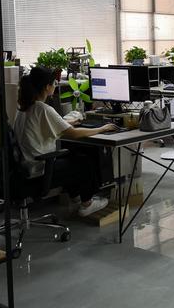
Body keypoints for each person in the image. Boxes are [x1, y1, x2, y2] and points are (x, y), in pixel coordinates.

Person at [13, 66, 117, 216]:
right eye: (54, 83)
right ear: (47, 87)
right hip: (40, 168)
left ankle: (76, 200)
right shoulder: (43, 109)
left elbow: (46, 125)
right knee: (83, 162)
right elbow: (73, 133)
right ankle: (87, 204)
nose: (55, 86)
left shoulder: (24, 107)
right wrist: (102, 128)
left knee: (72, 155)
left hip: (26, 166)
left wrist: (67, 123)